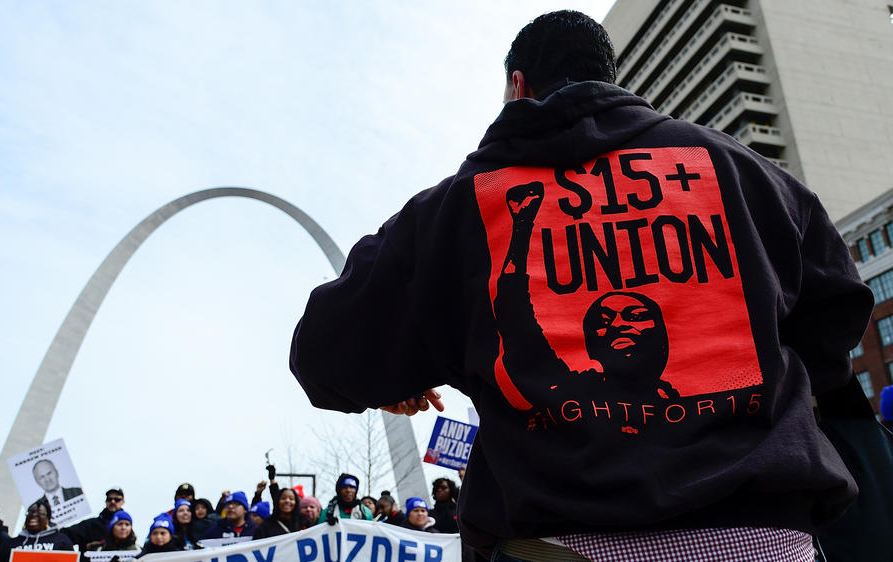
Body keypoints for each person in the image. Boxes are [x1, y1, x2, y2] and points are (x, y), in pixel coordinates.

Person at [288, 9, 874, 561]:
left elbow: (325, 354)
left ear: (518, 86)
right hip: (763, 538)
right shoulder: (745, 175)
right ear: (613, 81)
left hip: (558, 542)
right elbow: (836, 316)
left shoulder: (458, 208)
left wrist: (404, 370)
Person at [0, 501, 73, 562]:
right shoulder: (10, 544)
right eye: (30, 512)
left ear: (47, 519)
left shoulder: (61, 540)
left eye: (40, 513)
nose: (34, 515)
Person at [60, 488, 124, 559]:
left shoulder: (128, 530)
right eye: (109, 499)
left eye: (117, 499)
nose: (113, 501)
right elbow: (64, 538)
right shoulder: (90, 525)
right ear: (106, 501)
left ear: (123, 502)